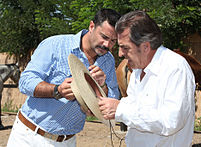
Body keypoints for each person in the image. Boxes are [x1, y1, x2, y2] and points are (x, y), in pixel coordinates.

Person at [7, 8, 120, 147]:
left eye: (113, 41)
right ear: (91, 26)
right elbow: (25, 82)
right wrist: (57, 90)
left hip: (68, 141)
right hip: (30, 136)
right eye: (104, 37)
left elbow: (113, 99)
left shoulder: (108, 61)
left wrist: (102, 86)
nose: (107, 45)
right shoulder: (55, 45)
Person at [99, 10, 196, 147]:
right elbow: (134, 110)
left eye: (125, 48)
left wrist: (120, 109)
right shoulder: (138, 71)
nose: (120, 54)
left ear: (145, 47)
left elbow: (171, 121)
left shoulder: (175, 67)